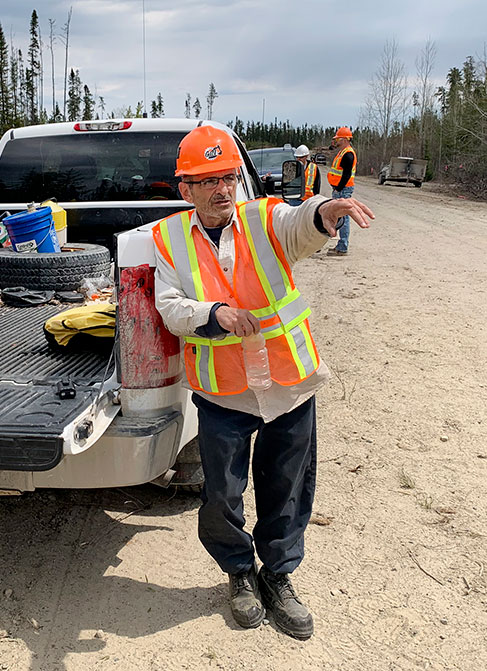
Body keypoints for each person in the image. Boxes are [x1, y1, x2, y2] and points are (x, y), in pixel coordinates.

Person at [152, 125, 374, 640]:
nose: (221, 188)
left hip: (287, 384)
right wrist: (215, 314)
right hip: (222, 392)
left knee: (287, 488)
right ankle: (239, 573)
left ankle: (277, 577)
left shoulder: (263, 219)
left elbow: (299, 225)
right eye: (207, 180)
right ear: (185, 189)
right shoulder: (168, 239)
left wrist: (324, 212)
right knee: (223, 495)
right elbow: (168, 307)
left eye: (228, 176)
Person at [327, 126, 357, 255]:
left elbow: (346, 174)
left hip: (343, 190)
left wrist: (339, 188)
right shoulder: (342, 152)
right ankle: (341, 245)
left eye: (338, 139)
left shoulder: (348, 154)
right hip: (340, 189)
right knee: (340, 217)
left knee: (343, 218)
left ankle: (343, 246)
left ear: (344, 139)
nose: (336, 141)